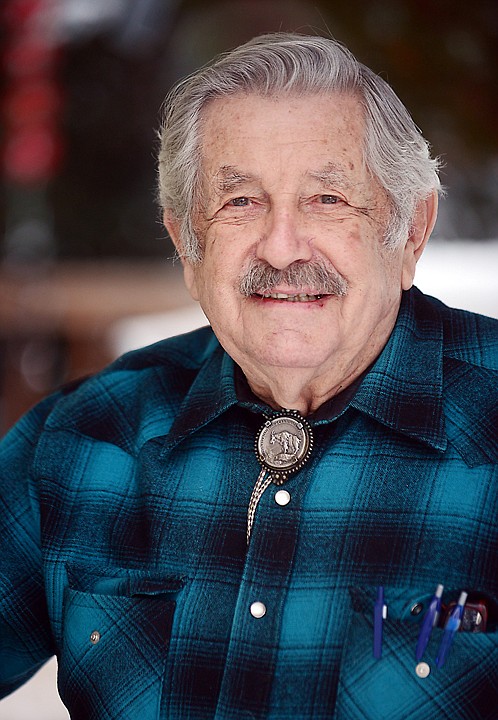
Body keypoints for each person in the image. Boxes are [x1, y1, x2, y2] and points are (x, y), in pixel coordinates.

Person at [1, 33, 497, 720]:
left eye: (327, 198)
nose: (282, 245)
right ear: (184, 242)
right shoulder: (85, 437)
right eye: (240, 202)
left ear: (411, 231)